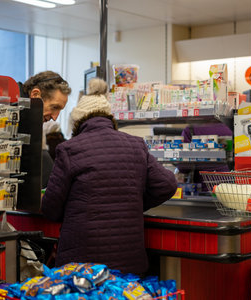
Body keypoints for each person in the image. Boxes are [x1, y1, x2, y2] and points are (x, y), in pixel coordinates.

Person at [41, 78, 177, 274]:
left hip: (83, 263)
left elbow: (51, 209)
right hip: (129, 258)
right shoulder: (136, 145)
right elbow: (167, 184)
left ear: (77, 122)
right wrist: (135, 202)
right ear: (110, 118)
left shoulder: (69, 149)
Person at [22, 71, 72, 186]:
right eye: (54, 107)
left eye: (59, 110)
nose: (55, 117)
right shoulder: (13, 118)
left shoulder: (29, 122)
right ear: (35, 95)